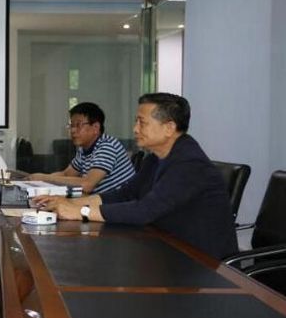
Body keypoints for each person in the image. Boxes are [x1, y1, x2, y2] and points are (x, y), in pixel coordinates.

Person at [36, 93, 237, 259]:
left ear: (169, 128)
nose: (135, 129)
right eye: (136, 122)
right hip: (164, 247)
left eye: (142, 123)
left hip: (202, 264)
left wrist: (81, 211)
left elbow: (144, 210)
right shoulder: (156, 158)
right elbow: (125, 194)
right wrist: (69, 204)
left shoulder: (189, 164)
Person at [29, 102, 135, 194]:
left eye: (78, 125)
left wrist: (44, 178)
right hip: (100, 201)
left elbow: (87, 184)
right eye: (71, 125)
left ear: (95, 128)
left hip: (121, 205)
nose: (73, 130)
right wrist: (37, 180)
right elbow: (66, 174)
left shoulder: (107, 146)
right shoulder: (83, 149)